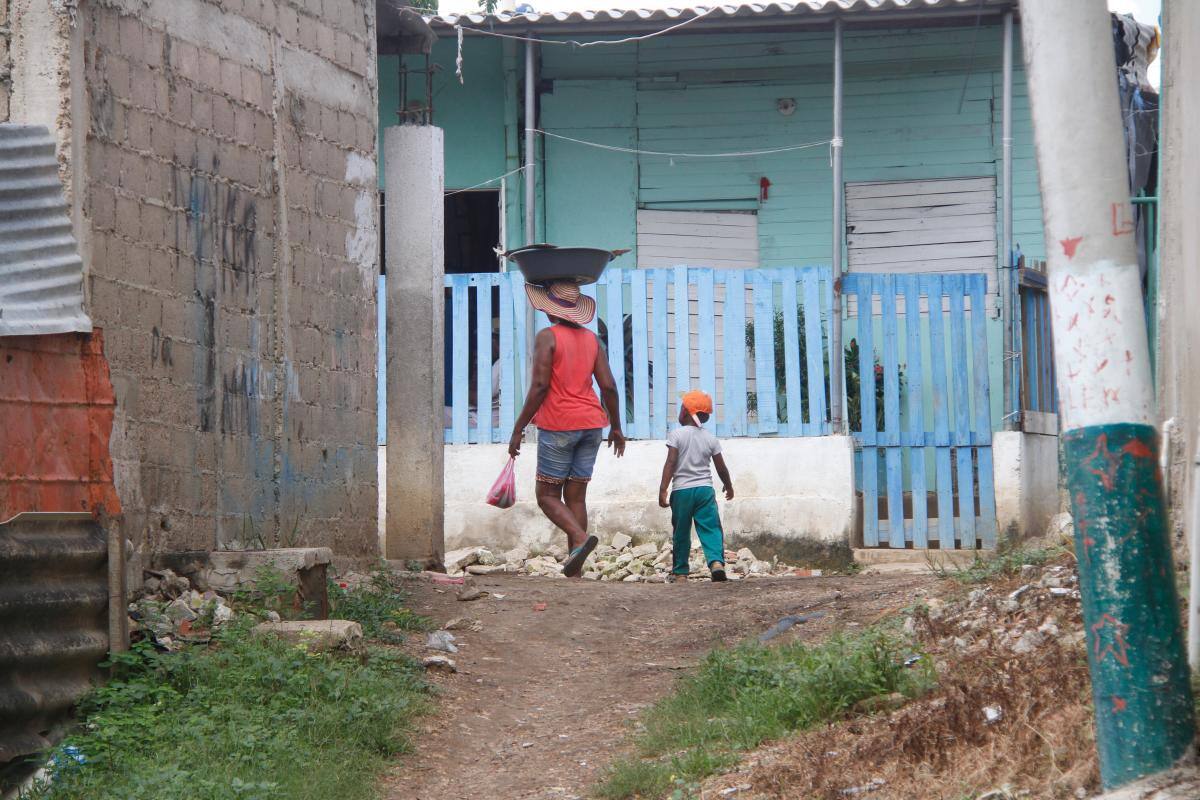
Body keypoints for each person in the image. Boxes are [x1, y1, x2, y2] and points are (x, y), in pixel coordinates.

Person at [508, 281, 626, 577]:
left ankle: (581, 540)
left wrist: (519, 427)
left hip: (560, 424)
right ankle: (575, 564)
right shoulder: (592, 340)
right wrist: (617, 427)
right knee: (576, 498)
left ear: (550, 312)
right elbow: (609, 386)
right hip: (592, 425)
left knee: (547, 496)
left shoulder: (547, 337)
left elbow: (539, 386)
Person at [657, 390, 734, 583]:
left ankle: (681, 573)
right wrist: (728, 485)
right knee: (710, 527)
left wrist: (663, 489)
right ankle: (716, 563)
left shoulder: (676, 435)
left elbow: (670, 463)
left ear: (686, 412)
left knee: (681, 531)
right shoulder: (710, 438)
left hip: (681, 491)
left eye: (682, 407)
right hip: (705, 490)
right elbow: (721, 467)